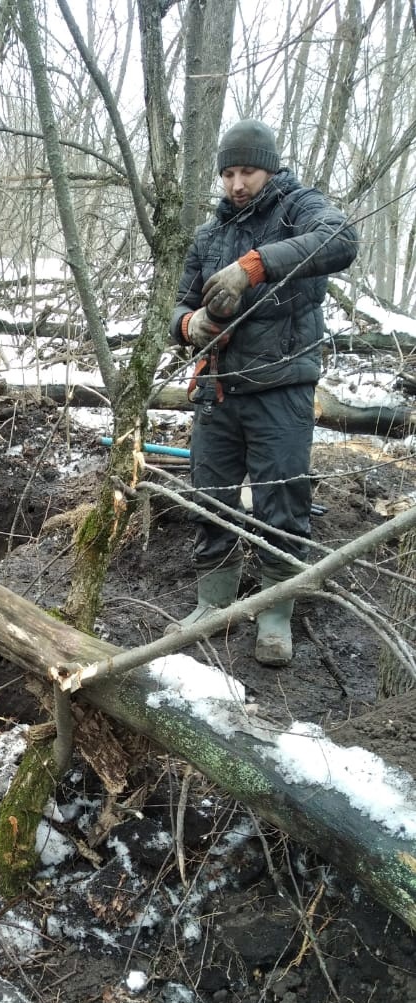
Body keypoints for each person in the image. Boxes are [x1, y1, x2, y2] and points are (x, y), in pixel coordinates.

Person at [169, 119, 359, 665]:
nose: (236, 184)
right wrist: (190, 327)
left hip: (282, 389)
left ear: (269, 167)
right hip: (218, 390)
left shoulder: (298, 207)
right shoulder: (209, 234)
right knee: (211, 497)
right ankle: (214, 602)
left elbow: (341, 239)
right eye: (227, 174)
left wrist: (253, 267)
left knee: (283, 501)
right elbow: (179, 306)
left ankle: (275, 612)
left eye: (246, 171)